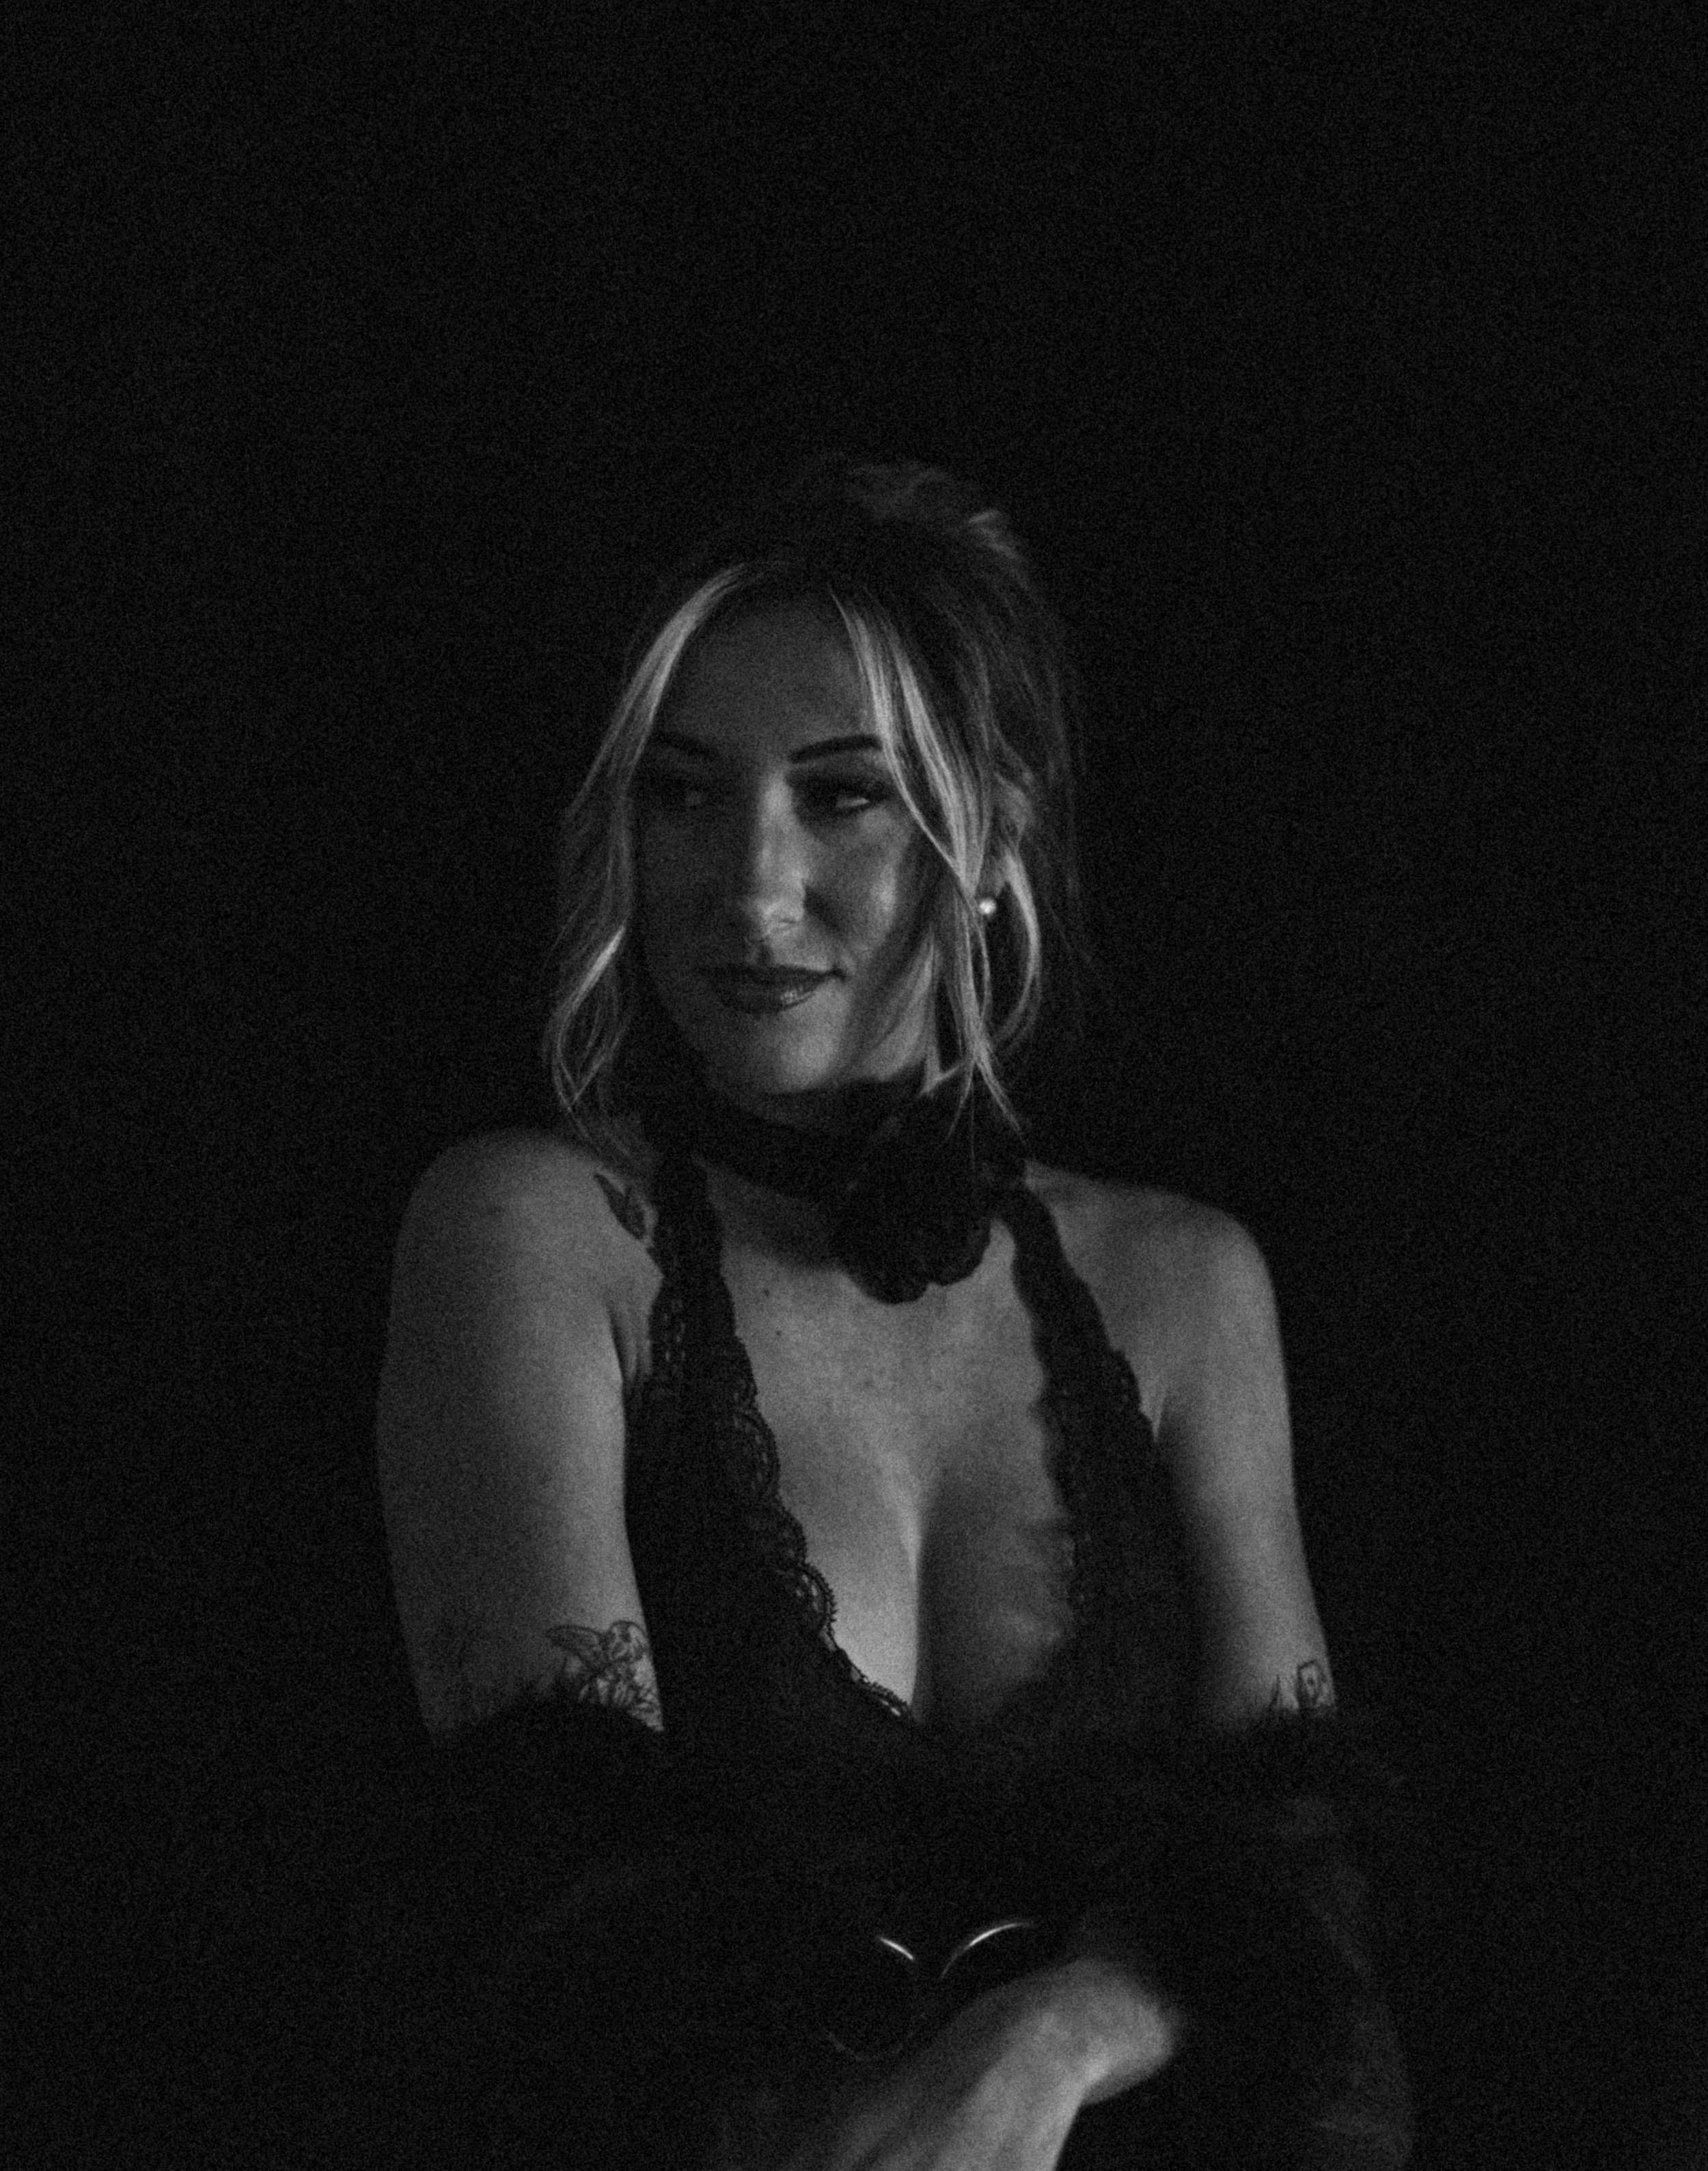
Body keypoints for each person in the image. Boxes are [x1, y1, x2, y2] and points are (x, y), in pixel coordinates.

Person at [375, 452, 1414, 2168]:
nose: (748, 885)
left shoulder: (1182, 1284)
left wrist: (1058, 2027)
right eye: (685, 792)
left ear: (990, 831)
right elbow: (560, 1939)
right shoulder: (536, 1237)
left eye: (840, 796)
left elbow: (1313, 1916)